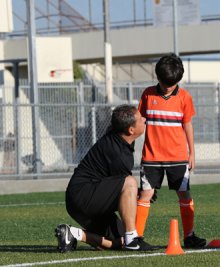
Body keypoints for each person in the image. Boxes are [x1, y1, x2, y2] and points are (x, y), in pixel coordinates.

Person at [55, 104, 151, 252]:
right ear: (131, 130)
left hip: (82, 201)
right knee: (130, 182)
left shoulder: (117, 135)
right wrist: (141, 192)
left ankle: (74, 233)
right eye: (140, 119)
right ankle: (132, 239)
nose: (144, 119)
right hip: (83, 195)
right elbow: (124, 190)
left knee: (119, 241)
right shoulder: (118, 155)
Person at [135, 53, 206, 248]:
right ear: (157, 77)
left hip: (178, 158)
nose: (168, 86)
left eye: (172, 83)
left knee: (185, 195)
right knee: (145, 195)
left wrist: (192, 153)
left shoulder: (185, 97)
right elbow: (139, 122)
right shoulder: (148, 94)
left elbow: (188, 125)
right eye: (165, 82)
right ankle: (136, 237)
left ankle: (189, 236)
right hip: (151, 158)